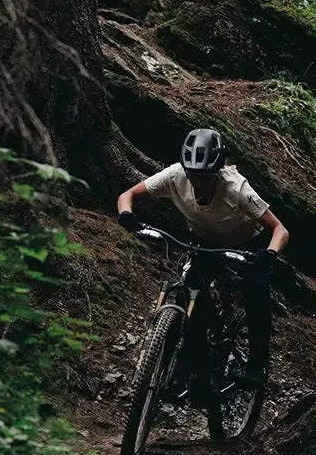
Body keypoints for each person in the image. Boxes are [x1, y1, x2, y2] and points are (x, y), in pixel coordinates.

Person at [117, 127, 289, 398]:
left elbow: (280, 230)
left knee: (256, 290)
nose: (198, 183)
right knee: (192, 293)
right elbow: (127, 195)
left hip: (246, 244)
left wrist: (269, 255)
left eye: (206, 177)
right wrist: (127, 215)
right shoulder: (175, 176)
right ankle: (187, 370)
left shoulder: (237, 189)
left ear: (218, 172)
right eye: (193, 175)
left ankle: (257, 364)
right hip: (204, 241)